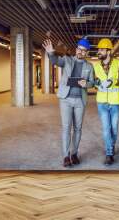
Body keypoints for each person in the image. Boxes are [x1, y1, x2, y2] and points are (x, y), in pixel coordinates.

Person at [42, 38, 94, 167]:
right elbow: (55, 61)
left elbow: (92, 83)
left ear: (87, 53)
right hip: (66, 100)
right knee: (66, 128)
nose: (81, 52)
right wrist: (50, 53)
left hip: (80, 101)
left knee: (78, 128)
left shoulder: (89, 66)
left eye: (84, 51)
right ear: (76, 49)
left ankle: (74, 153)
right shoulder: (67, 60)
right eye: (79, 49)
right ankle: (66, 156)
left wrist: (86, 83)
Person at [93, 38, 119, 165]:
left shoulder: (118, 63)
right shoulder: (96, 66)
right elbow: (95, 81)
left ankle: (111, 146)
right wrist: (98, 85)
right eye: (99, 50)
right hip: (102, 102)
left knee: (114, 129)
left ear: (108, 51)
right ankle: (109, 153)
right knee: (106, 129)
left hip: (115, 101)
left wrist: (113, 82)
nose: (99, 52)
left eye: (101, 50)